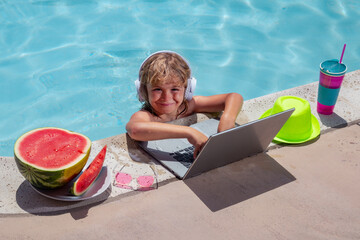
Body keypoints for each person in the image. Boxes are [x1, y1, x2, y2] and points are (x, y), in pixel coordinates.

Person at [126, 51, 243, 157]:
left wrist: (228, 118)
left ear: (187, 89)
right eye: (157, 89)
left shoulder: (190, 105)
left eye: (175, 89)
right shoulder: (146, 116)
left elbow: (234, 97)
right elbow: (135, 130)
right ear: (143, 91)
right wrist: (189, 132)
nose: (166, 97)